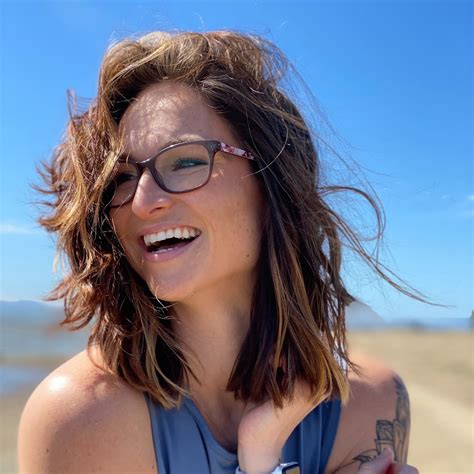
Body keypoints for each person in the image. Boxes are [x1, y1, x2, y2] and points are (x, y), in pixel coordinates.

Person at [18, 31, 420, 474]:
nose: (142, 202)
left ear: (271, 183)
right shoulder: (80, 419)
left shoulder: (373, 403)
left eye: (186, 161)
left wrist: (263, 448)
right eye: (123, 178)